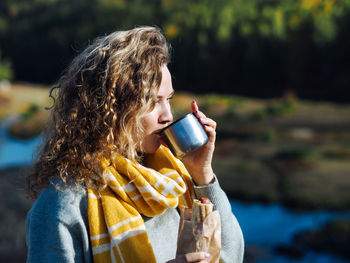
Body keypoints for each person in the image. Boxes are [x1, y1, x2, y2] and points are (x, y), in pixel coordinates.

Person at [25, 26, 244, 263]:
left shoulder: (174, 182)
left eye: (168, 99)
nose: (168, 115)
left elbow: (232, 256)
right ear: (110, 109)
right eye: (152, 101)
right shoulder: (63, 206)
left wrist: (203, 175)